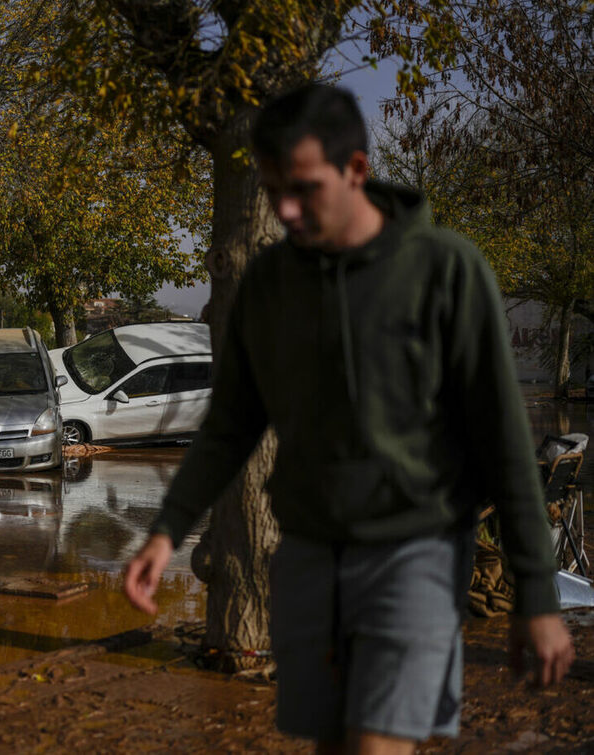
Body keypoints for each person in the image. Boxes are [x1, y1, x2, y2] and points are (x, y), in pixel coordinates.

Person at [122, 84, 574, 753]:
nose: (285, 209)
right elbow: (230, 425)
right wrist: (166, 532)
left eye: (304, 188)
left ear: (356, 169)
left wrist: (536, 591)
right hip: (307, 555)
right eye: (274, 189)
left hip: (416, 552)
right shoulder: (268, 286)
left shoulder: (446, 271)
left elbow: (503, 437)